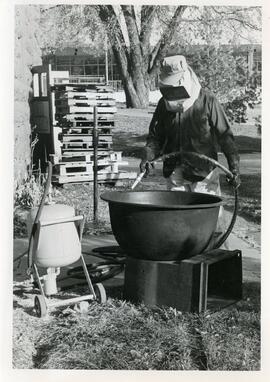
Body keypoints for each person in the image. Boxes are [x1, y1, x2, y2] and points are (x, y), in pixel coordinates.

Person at [140, 55, 240, 195]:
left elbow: (225, 136)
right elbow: (155, 137)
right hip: (174, 173)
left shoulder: (207, 100)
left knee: (207, 216)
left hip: (204, 174)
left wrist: (234, 167)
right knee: (177, 216)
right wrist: (147, 155)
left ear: (185, 78)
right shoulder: (163, 104)